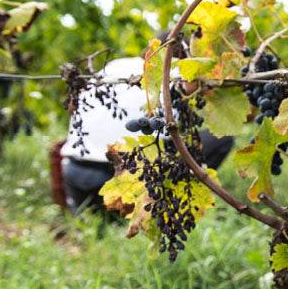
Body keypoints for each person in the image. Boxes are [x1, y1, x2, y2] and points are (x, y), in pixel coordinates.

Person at [59, 42, 234, 216]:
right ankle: (170, 200)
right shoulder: (177, 74)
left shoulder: (116, 65)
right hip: (132, 181)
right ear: (181, 57)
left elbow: (75, 105)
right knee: (220, 139)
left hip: (77, 175)